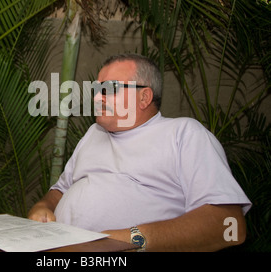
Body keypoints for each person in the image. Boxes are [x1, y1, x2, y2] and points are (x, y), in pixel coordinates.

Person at [28, 53, 251, 251]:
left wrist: (125, 240)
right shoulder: (93, 134)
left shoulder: (183, 134)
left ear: (144, 97)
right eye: (96, 90)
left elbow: (229, 226)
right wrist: (43, 206)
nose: (96, 98)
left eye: (109, 89)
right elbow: (60, 190)